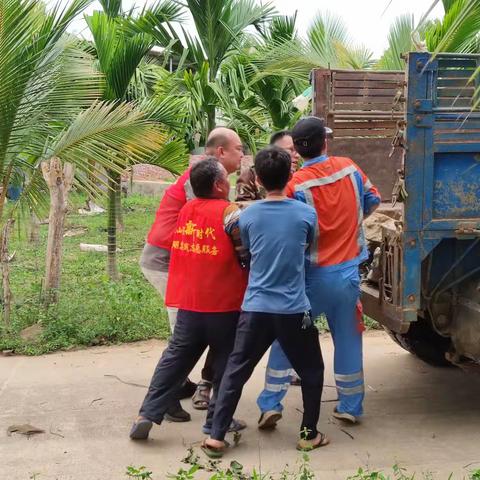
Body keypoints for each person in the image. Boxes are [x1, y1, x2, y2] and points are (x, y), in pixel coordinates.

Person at [202, 146, 329, 458]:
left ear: (256, 178)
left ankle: (216, 437)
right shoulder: (306, 214)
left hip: (255, 307)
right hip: (294, 310)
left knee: (236, 370)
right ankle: (308, 435)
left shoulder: (248, 215)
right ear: (290, 178)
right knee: (312, 371)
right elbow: (309, 246)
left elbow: (248, 248)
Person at [257, 117, 381, 428]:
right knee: (349, 339)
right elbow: (374, 199)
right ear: (324, 143)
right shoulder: (350, 167)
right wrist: (353, 221)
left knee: (287, 339)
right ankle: (351, 405)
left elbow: (286, 228)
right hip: (348, 276)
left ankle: (271, 403)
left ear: (297, 151)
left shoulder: (295, 184)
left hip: (309, 279)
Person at [130, 158, 248, 441]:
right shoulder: (230, 213)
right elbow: (244, 253)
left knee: (175, 357)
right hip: (224, 303)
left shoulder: (186, 211)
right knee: (225, 362)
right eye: (226, 180)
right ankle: (218, 421)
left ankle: (147, 413)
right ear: (219, 185)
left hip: (190, 302)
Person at [235, 130, 300, 201]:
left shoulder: (300, 174)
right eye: (291, 150)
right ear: (275, 150)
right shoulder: (251, 176)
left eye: (297, 150)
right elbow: (242, 207)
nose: (297, 155)